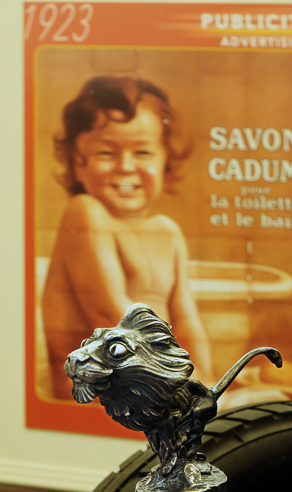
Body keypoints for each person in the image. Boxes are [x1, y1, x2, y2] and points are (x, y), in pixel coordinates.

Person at [40, 75, 211, 399]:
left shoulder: (167, 232)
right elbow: (113, 321)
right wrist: (188, 388)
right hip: (96, 389)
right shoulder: (85, 213)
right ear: (79, 162)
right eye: (107, 152)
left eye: (143, 153)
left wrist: (209, 384)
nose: (126, 166)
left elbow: (188, 321)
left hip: (156, 382)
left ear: (164, 160)